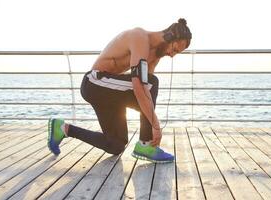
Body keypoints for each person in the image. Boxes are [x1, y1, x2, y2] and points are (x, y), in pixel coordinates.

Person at [48, 18, 192, 163]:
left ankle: (63, 129)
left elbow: (145, 94)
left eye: (176, 53)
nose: (172, 55)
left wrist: (151, 117)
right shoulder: (140, 37)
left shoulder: (155, 58)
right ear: (169, 36)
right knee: (150, 84)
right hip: (94, 83)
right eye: (174, 49)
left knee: (116, 145)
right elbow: (139, 85)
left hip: (110, 93)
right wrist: (155, 125)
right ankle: (146, 144)